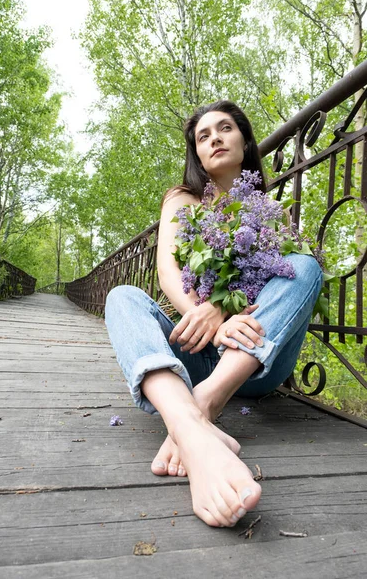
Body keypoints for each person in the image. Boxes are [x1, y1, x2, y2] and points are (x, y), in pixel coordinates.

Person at [105, 100, 322, 528]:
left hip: (253, 359)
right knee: (122, 297)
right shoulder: (183, 200)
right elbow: (167, 273)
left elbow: (284, 285)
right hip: (199, 349)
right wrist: (207, 316)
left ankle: (202, 403)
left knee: (306, 266)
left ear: (244, 140)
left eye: (225, 129)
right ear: (198, 154)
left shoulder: (270, 212)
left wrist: (224, 310)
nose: (215, 138)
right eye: (204, 136)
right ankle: (193, 430)